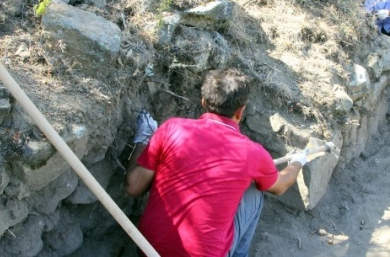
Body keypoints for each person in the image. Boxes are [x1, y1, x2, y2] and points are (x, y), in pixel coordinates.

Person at [126, 68, 308, 256]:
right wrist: (297, 162)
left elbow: (134, 187)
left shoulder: (171, 128)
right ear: (240, 112)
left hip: (148, 249)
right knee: (255, 192)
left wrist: (143, 142)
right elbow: (280, 186)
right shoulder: (253, 153)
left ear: (203, 102)